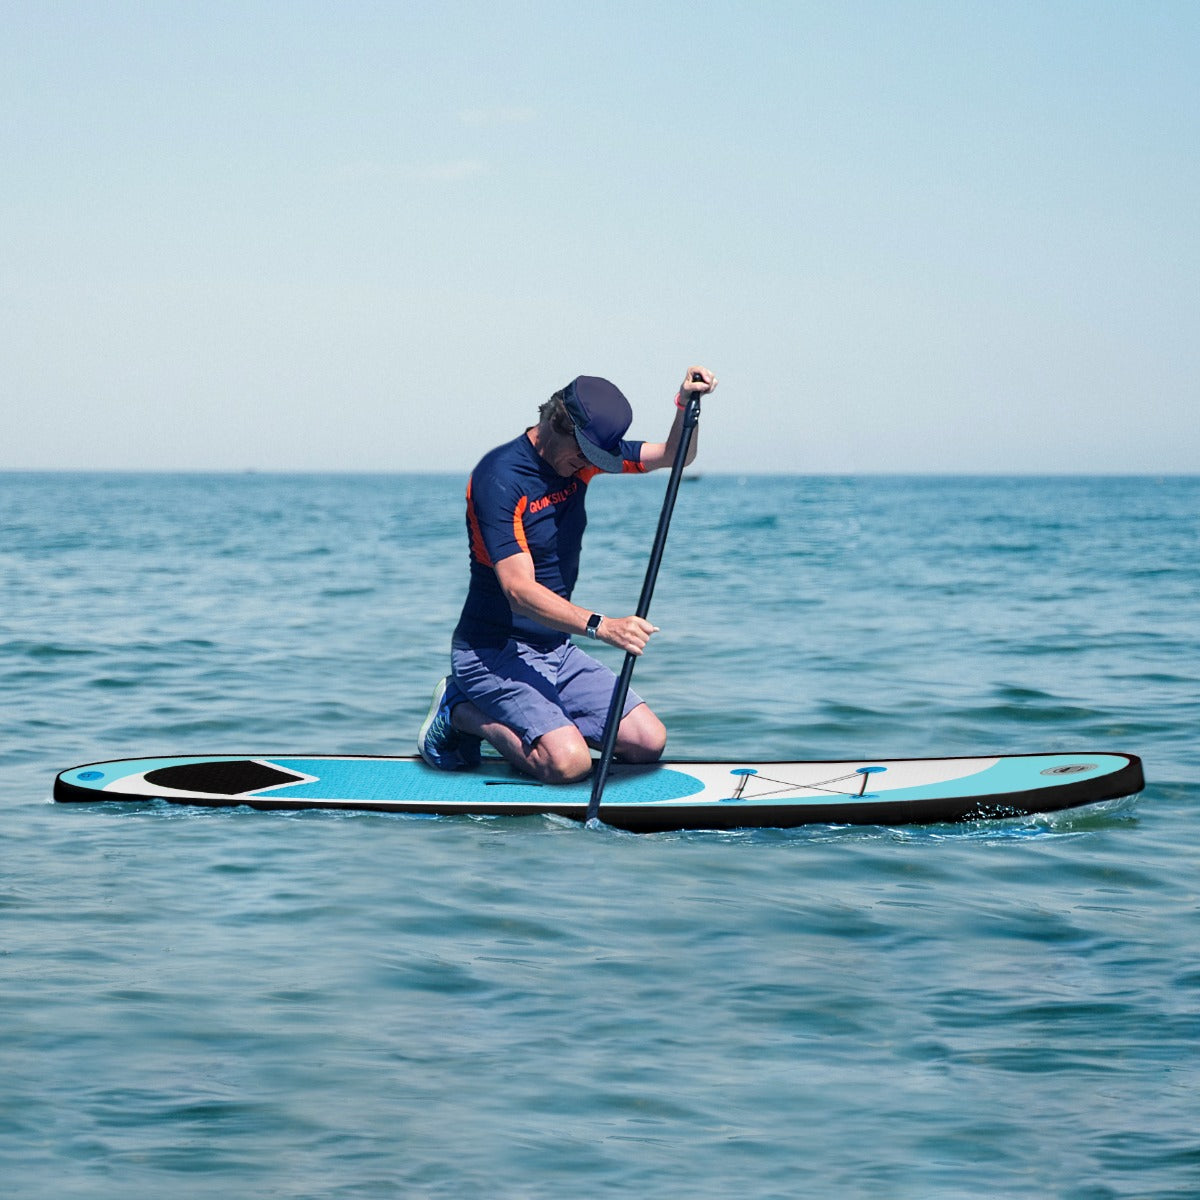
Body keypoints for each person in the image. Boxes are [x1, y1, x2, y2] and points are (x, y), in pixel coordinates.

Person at [418, 366, 718, 784]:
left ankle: (549, 722)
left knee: (647, 742)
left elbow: (676, 454)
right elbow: (519, 591)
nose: (586, 465)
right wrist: (602, 627)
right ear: (557, 423)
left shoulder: (580, 462)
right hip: (491, 652)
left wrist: (686, 407)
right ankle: (459, 710)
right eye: (582, 454)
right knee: (568, 764)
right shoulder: (499, 478)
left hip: (554, 650)